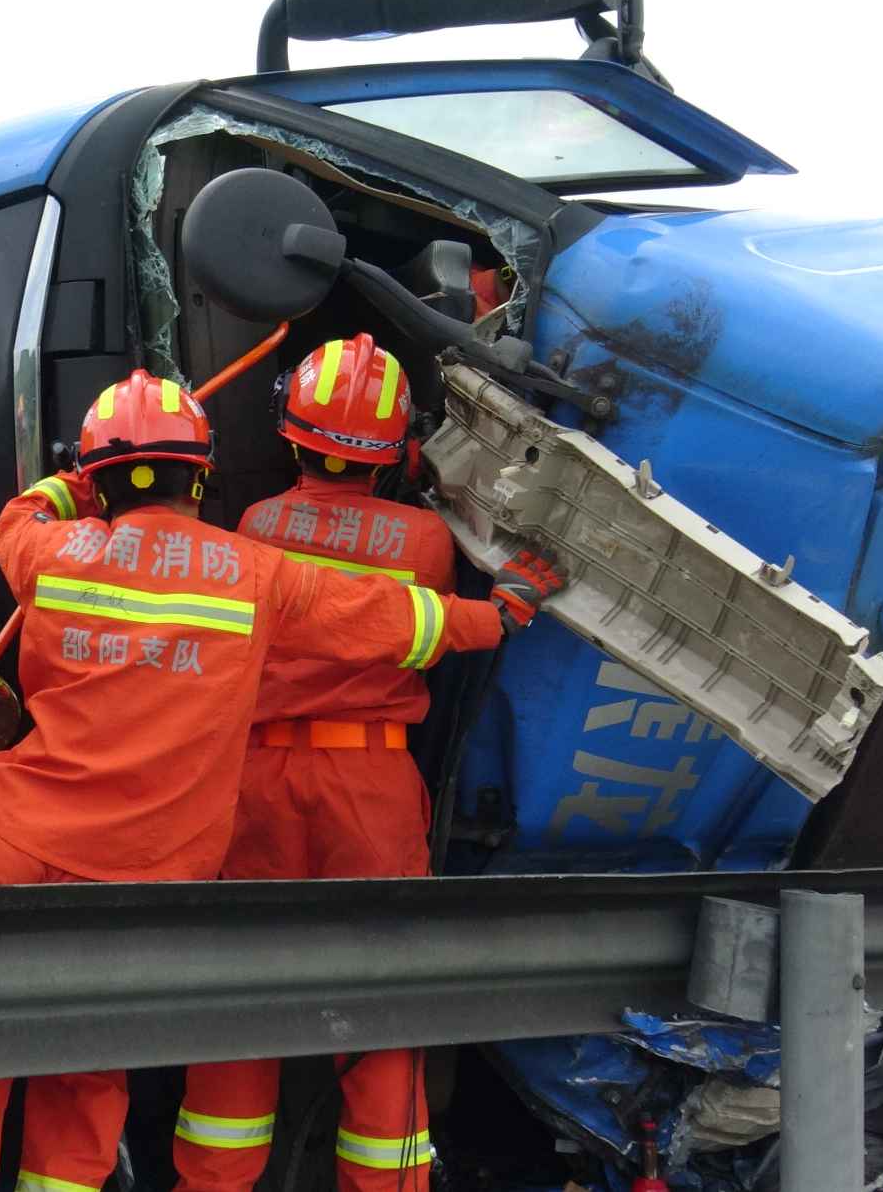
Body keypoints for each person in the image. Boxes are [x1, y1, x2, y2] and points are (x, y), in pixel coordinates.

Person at [0, 370, 563, 1192]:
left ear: (97, 478)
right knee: (91, 1066)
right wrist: (502, 612)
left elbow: (16, 515)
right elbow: (396, 618)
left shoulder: (47, 551)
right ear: (201, 474)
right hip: (140, 873)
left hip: (12, 841)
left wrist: (73, 484)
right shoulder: (258, 569)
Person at [173, 335, 561, 1191]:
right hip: (370, 783)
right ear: (394, 447)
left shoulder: (256, 526)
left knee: (242, 998)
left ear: (292, 432)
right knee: (386, 1004)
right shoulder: (426, 539)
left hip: (258, 783)